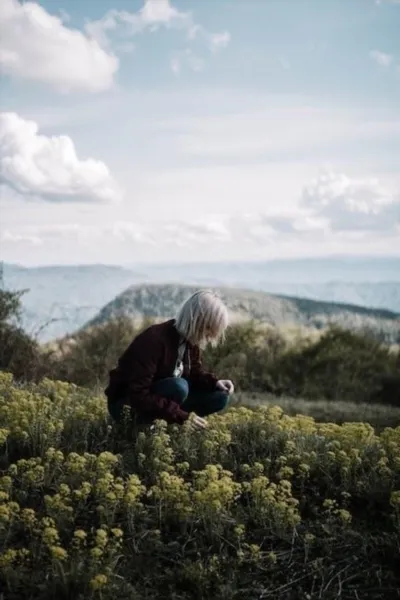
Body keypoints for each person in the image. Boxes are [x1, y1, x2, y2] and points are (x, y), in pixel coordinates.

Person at [105, 289, 234, 430]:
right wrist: (181, 416)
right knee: (179, 387)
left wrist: (214, 383)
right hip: (126, 405)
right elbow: (138, 395)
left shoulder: (191, 341)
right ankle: (147, 427)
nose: (210, 336)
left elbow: (193, 374)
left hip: (161, 399)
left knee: (219, 396)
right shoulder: (154, 339)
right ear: (197, 321)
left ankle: (169, 425)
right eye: (209, 328)